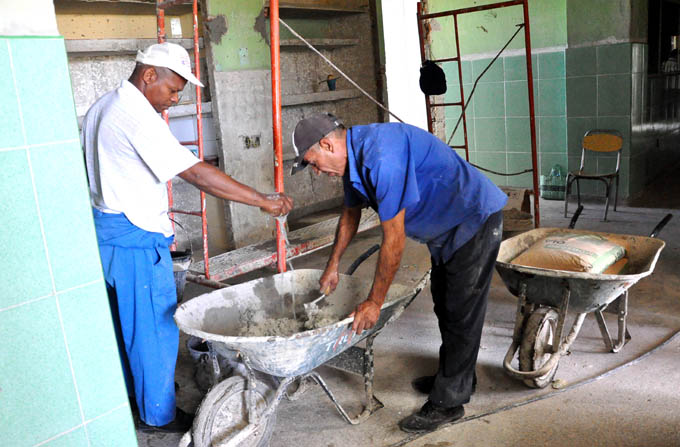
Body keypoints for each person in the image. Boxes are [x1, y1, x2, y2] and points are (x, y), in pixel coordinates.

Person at [82, 42, 293, 433]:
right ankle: (156, 415)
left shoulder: (101, 107)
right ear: (149, 76)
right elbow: (194, 172)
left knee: (122, 324)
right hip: (136, 239)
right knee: (154, 331)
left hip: (105, 231)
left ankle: (134, 395)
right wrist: (261, 199)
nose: (174, 99)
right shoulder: (136, 116)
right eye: (173, 89)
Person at [290, 113, 507, 433]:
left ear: (327, 144)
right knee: (446, 303)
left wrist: (374, 302)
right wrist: (332, 264)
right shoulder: (355, 161)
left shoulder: (381, 157)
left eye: (315, 163)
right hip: (445, 232)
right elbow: (349, 215)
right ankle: (458, 374)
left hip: (473, 219)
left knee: (461, 309)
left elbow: (393, 240)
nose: (318, 171)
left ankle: (449, 401)